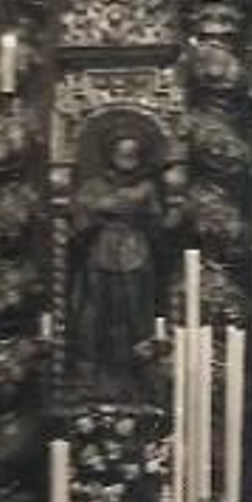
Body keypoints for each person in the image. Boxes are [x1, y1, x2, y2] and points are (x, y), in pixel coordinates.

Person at [69, 131, 163, 397]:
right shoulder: (93, 186)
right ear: (111, 155)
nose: (127, 158)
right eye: (122, 153)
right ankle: (90, 373)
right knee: (95, 312)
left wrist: (142, 210)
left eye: (133, 154)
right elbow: (77, 218)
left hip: (134, 251)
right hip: (101, 251)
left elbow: (157, 222)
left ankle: (135, 374)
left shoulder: (147, 187)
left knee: (134, 311)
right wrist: (100, 208)